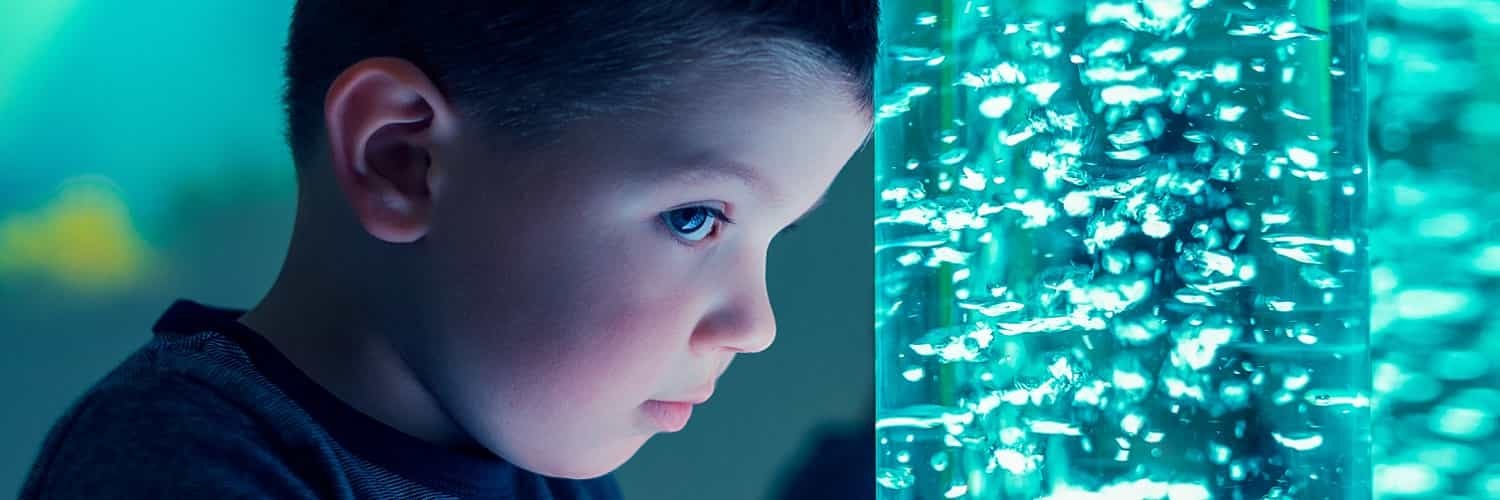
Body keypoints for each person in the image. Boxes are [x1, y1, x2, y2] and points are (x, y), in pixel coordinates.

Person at [19, 1, 877, 498]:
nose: (756, 324)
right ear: (403, 160)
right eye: (696, 219)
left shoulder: (544, 469)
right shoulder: (173, 462)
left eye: (777, 234)